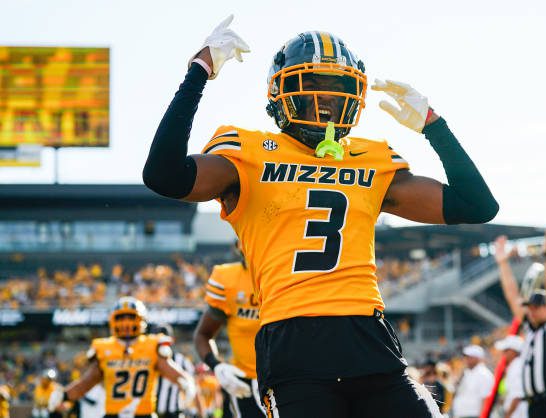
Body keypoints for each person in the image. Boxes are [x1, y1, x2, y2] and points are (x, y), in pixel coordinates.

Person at [143, 15, 498, 418]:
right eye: (313, 83)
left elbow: (478, 206)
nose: (327, 97)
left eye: (338, 85)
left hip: (367, 333)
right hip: (294, 338)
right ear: (282, 91)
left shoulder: (372, 158)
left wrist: (436, 127)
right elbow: (164, 175)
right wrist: (199, 73)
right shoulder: (249, 151)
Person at [48, 297, 196, 418]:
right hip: (113, 414)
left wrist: (186, 382)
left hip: (143, 414)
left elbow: (172, 372)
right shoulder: (104, 348)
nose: (126, 322)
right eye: (121, 317)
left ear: (141, 320)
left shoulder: (152, 345)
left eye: (131, 317)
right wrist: (64, 395)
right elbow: (85, 384)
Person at [495, 232, 546, 418]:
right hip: (533, 404)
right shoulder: (531, 327)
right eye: (531, 307)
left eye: (537, 307)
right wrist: (503, 263)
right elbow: (512, 296)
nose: (533, 311)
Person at [193, 241, 265, 417]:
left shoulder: (290, 273)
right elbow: (203, 334)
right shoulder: (228, 278)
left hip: (292, 380)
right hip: (244, 384)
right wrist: (216, 366)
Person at [151, 323, 196, 418]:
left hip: (173, 412)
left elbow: (193, 390)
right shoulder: (146, 359)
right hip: (150, 411)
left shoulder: (183, 361)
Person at [451, 345, 494, 418]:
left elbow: (485, 398)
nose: (466, 359)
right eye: (465, 357)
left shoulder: (484, 374)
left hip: (474, 415)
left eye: (469, 357)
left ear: (477, 358)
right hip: (462, 414)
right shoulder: (466, 372)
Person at [495, 335, 528, 418]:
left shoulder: (517, 366)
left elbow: (517, 396)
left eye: (506, 350)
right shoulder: (516, 365)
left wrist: (508, 415)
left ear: (514, 351)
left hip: (518, 413)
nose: (503, 353)